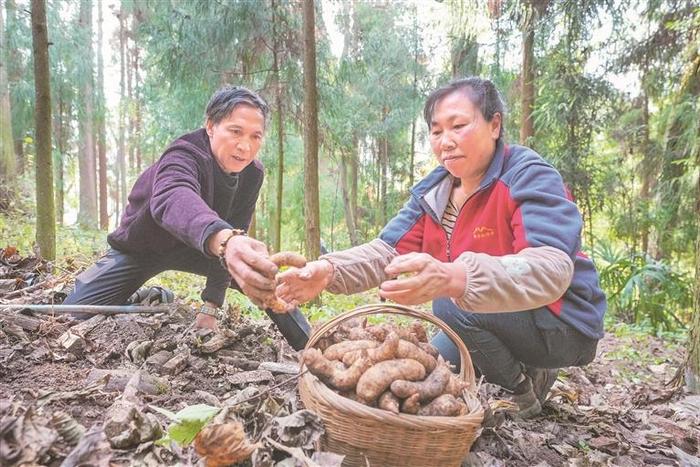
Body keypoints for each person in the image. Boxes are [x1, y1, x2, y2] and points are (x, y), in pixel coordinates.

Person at [277, 77, 606, 417]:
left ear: (494, 125)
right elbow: (388, 252)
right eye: (436, 131)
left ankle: (520, 396)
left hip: (563, 322)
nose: (446, 141)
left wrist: (457, 277)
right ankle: (531, 370)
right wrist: (329, 271)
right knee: (432, 362)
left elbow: (551, 268)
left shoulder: (528, 175)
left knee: (449, 303)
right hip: (500, 316)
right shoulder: (434, 192)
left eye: (458, 126)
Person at [63, 85, 310, 350]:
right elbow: (172, 195)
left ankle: (311, 344)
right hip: (143, 248)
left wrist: (211, 305)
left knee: (259, 274)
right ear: (211, 126)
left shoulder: (252, 174)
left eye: (255, 136)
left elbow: (235, 228)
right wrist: (225, 239)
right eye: (235, 131)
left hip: (206, 248)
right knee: (72, 315)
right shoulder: (183, 154)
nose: (244, 146)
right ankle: (146, 297)